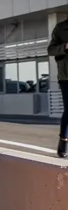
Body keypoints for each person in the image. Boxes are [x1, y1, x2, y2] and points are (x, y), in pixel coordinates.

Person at [47, 17, 68, 158]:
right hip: (66, 76)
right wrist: (65, 47)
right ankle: (63, 141)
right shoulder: (61, 28)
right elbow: (51, 50)